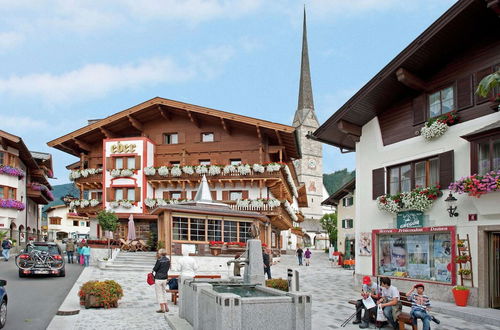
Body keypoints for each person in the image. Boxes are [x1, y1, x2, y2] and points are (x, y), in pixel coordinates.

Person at [152, 248, 170, 313]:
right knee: (164, 292)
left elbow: (155, 269)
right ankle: (166, 307)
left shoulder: (159, 260)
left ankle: (162, 308)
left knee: (159, 293)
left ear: (160, 253)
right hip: (165, 278)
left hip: (159, 278)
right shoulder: (168, 260)